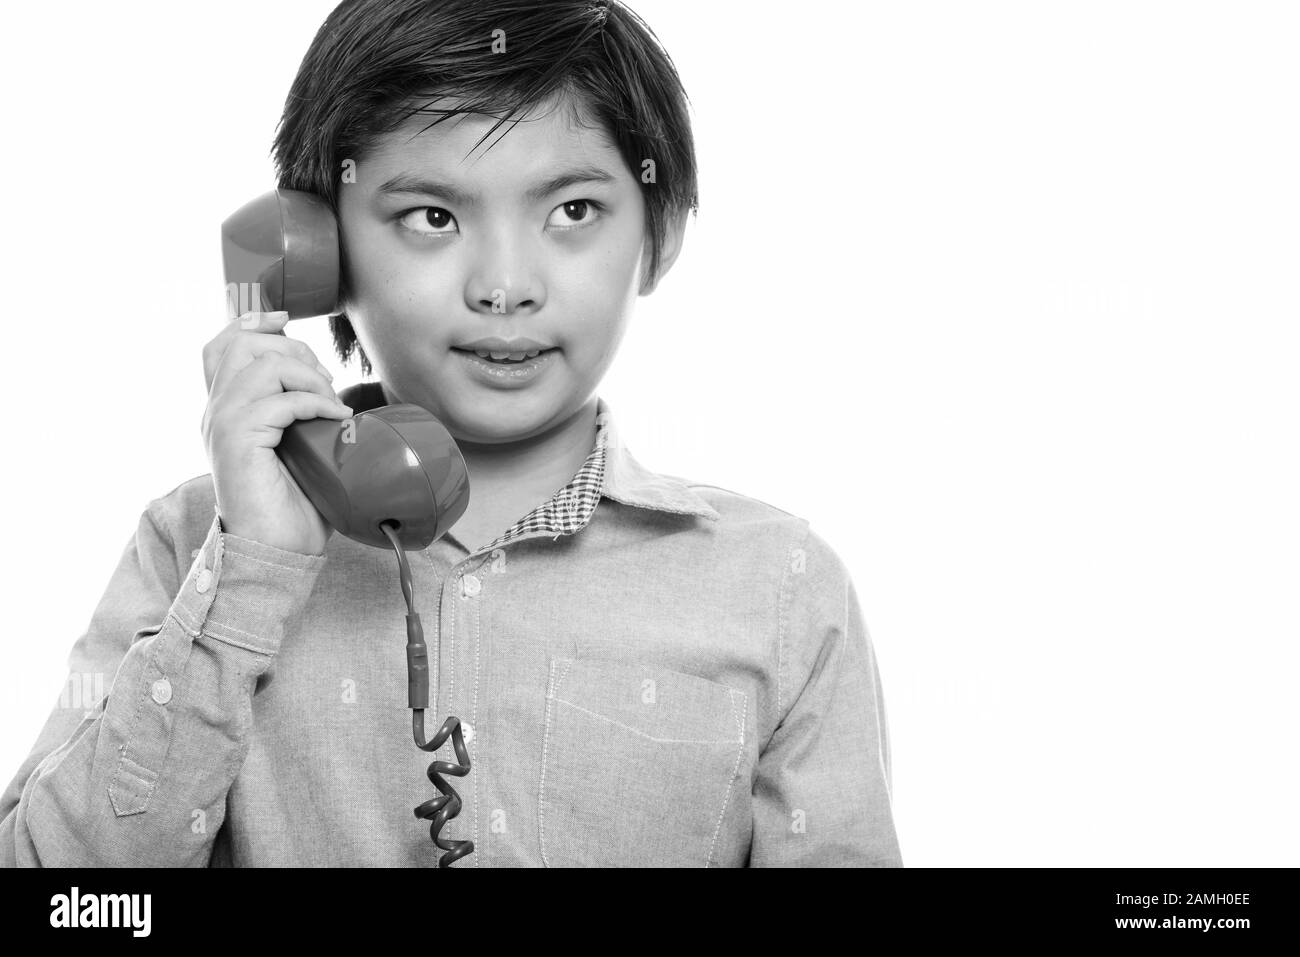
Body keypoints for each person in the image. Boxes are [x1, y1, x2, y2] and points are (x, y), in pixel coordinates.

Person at [0, 0, 902, 867]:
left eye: (572, 211)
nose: (504, 284)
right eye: (433, 216)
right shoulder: (190, 552)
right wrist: (249, 582)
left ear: (658, 235)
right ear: (316, 251)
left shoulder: (781, 592)